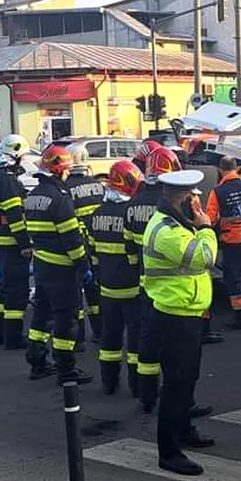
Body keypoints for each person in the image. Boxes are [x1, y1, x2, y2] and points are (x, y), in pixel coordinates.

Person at [144, 169, 218, 476]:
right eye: (195, 201)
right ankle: (169, 451)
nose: (198, 207)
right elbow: (205, 258)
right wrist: (206, 228)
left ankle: (184, 430)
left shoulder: (174, 223)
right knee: (176, 384)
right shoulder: (168, 230)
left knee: (188, 379)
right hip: (174, 316)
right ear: (183, 200)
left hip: (187, 313)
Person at [23, 146, 92, 384]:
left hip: (42, 266)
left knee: (41, 316)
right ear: (59, 170)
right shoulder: (60, 199)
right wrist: (83, 266)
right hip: (63, 270)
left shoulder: (33, 197)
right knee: (66, 320)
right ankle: (66, 370)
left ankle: (37, 362)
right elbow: (71, 238)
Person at [125, 146, 180, 410]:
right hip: (170, 289)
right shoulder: (170, 206)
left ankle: (145, 394)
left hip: (144, 284)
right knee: (173, 348)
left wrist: (140, 273)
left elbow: (129, 249)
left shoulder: (132, 203)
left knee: (146, 341)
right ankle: (179, 400)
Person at [89, 160, 145, 395]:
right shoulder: (129, 214)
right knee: (135, 340)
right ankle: (136, 385)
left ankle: (109, 383)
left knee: (109, 339)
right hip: (131, 289)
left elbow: (92, 254)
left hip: (107, 289)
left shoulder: (96, 214)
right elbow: (136, 251)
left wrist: (99, 278)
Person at [0, 134, 32, 349]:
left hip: (0, 236)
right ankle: (14, 338)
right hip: (12, 241)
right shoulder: (9, 180)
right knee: (17, 292)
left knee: (5, 290)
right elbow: (15, 215)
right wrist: (24, 245)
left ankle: (2, 334)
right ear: (16, 154)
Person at [205, 156, 241, 331]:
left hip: (231, 241)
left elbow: (210, 219)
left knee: (234, 278)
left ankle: (240, 317)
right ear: (236, 169)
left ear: (221, 170)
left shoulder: (218, 192)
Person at [65, 145, 107, 342]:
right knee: (95, 291)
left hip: (78, 245)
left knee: (75, 293)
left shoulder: (65, 189)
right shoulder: (98, 185)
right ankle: (100, 332)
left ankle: (78, 337)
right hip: (99, 245)